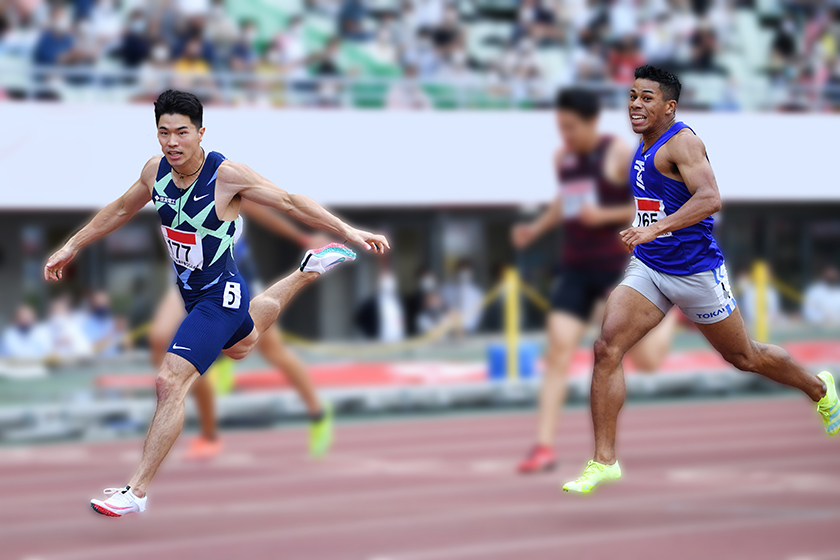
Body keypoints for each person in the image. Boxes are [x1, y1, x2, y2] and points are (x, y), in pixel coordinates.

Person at [44, 89, 389, 516]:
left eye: (182, 133)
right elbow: (119, 210)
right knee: (242, 344)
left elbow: (290, 201)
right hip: (190, 290)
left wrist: (349, 230)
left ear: (201, 132)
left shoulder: (225, 175)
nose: (172, 142)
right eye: (163, 133)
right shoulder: (155, 172)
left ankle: (136, 491)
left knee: (170, 381)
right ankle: (309, 269)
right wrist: (71, 245)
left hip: (220, 291)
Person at [561, 66, 838, 494]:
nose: (635, 104)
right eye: (632, 96)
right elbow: (657, 199)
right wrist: (643, 227)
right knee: (607, 348)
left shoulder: (684, 142)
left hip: (695, 272)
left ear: (669, 107)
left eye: (646, 98)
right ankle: (604, 461)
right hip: (651, 267)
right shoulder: (645, 139)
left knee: (745, 357)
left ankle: (819, 388)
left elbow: (711, 198)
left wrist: (654, 228)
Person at [511, 87, 677, 474]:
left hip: (614, 269)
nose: (565, 136)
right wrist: (534, 229)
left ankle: (670, 314)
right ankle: (543, 447)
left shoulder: (619, 155)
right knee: (558, 353)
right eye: (560, 127)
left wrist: (601, 216)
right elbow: (564, 203)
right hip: (574, 267)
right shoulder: (564, 157)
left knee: (648, 362)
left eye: (571, 128)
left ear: (591, 123)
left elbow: (645, 206)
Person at [148, 205, 335, 461]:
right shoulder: (162, 175)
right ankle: (209, 433)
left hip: (231, 273)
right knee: (161, 339)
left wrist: (301, 238)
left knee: (271, 349)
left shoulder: (221, 176)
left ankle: (318, 413)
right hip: (189, 277)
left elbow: (267, 209)